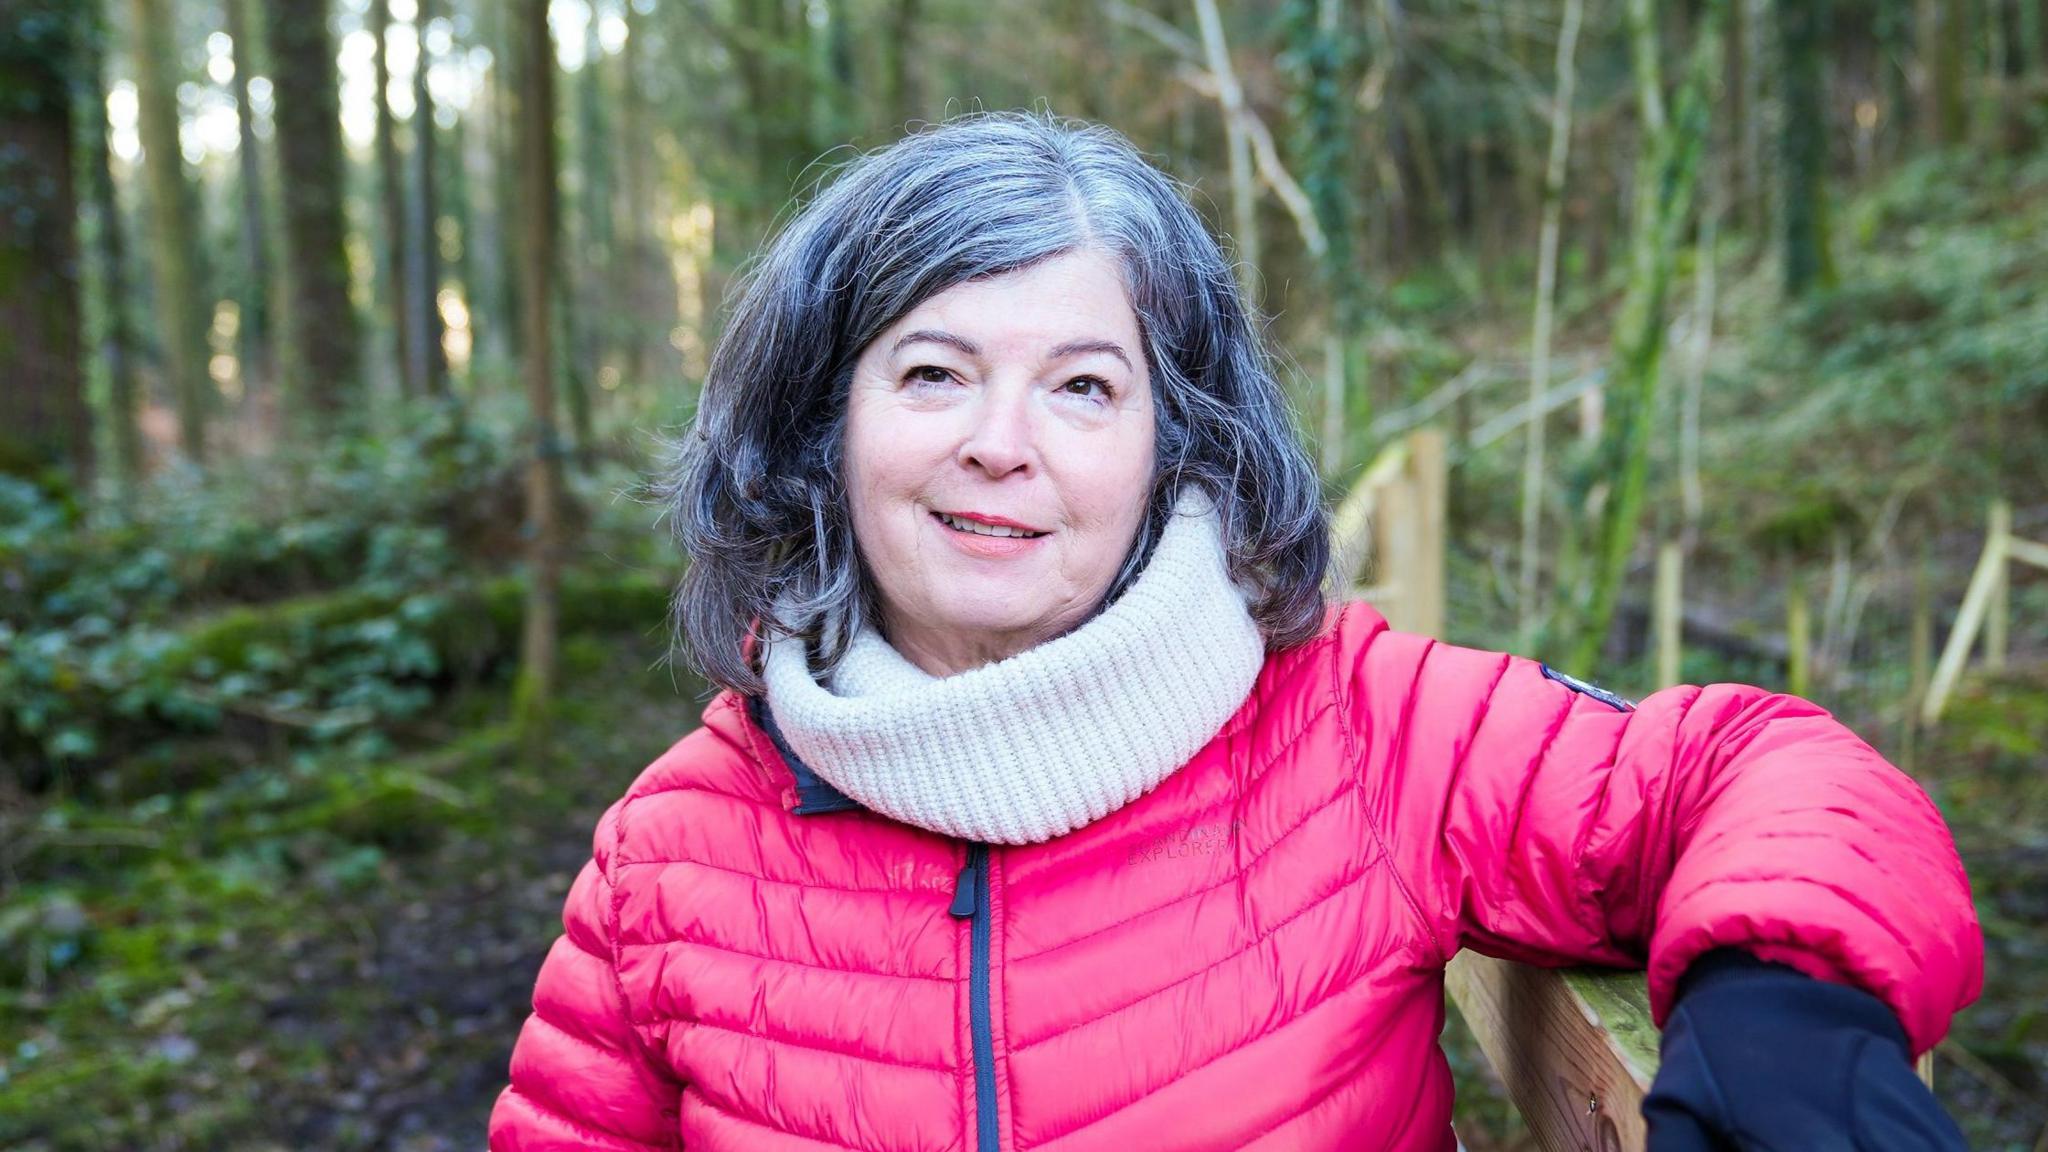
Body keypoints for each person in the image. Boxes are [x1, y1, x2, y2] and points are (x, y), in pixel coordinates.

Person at [488, 113, 1982, 1152]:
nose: (1001, 444)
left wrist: (1783, 996)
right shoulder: (668, 858)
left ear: (1172, 443)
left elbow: (1761, 766)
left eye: (1084, 387)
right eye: (934, 373)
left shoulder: (1362, 730)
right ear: (824, 425)